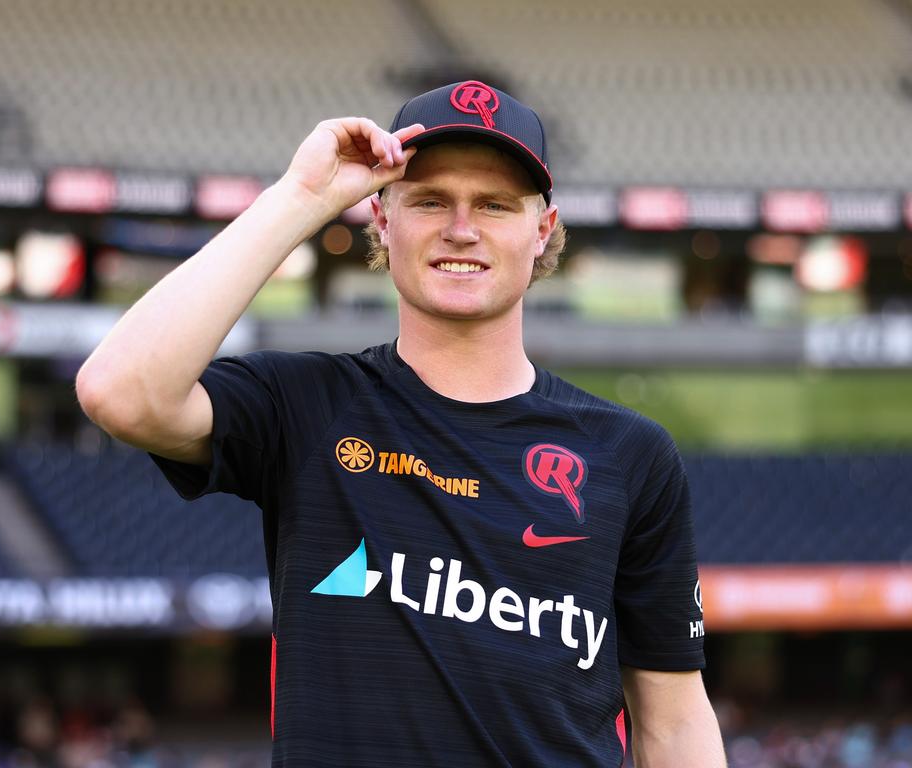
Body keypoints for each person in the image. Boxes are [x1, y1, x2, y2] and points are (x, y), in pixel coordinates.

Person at [77, 80, 726, 767]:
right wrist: (299, 200)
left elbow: (674, 718)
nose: (461, 228)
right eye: (429, 200)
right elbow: (121, 393)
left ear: (543, 231)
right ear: (381, 221)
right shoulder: (308, 406)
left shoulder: (629, 455)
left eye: (495, 205)